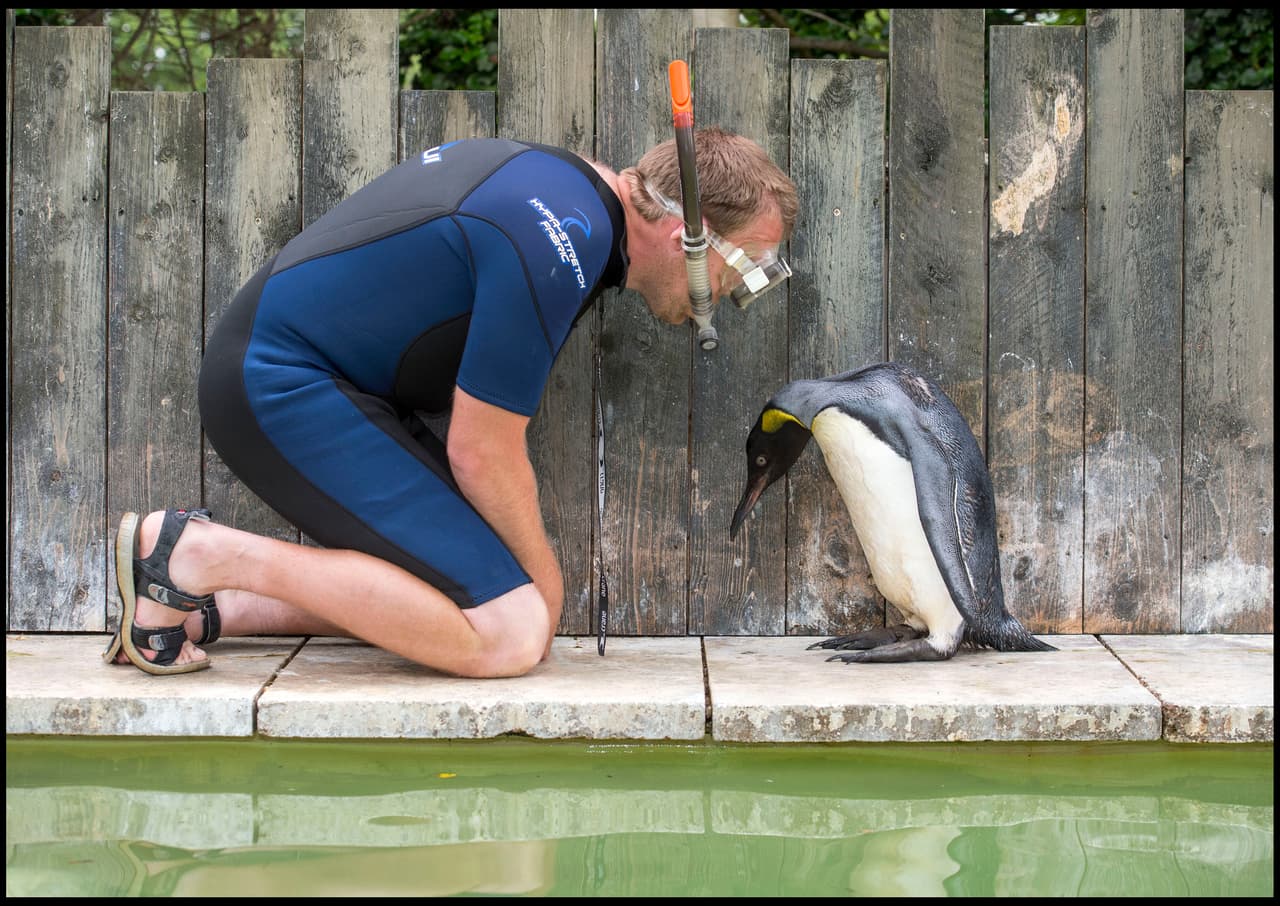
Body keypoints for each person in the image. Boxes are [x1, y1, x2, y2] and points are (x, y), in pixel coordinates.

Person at [105, 127, 798, 678]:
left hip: (326, 390)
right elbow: (479, 448)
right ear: (690, 239)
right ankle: (191, 552)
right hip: (278, 385)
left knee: (459, 597)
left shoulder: (569, 196)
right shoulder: (565, 238)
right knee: (512, 631)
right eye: (744, 268)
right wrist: (545, 581)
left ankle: (202, 607)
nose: (733, 299)